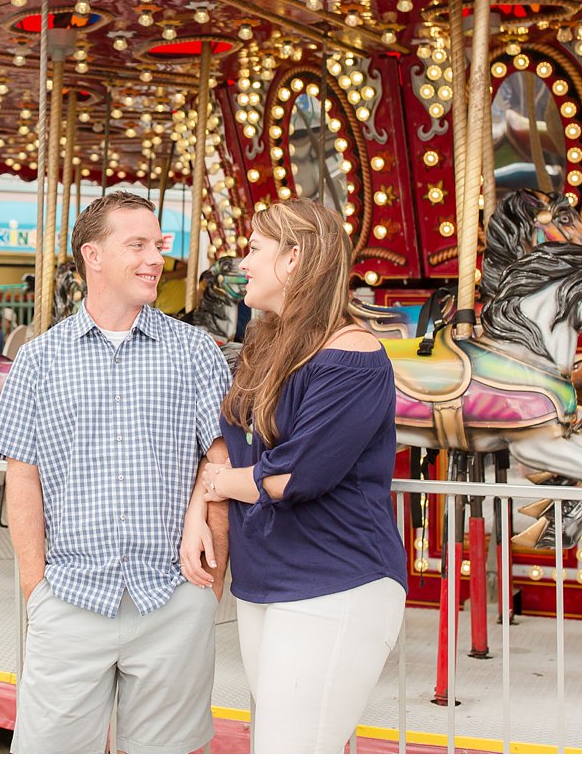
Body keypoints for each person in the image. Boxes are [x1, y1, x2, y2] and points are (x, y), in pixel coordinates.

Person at [0, 190, 231, 754]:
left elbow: (220, 462)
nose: (155, 259)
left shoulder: (194, 351)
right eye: (137, 244)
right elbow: (22, 476)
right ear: (93, 255)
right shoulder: (39, 360)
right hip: (71, 597)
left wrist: (210, 591)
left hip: (172, 595)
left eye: (158, 245)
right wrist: (35, 588)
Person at [185, 199, 406, 753]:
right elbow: (225, 452)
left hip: (335, 580)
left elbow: (292, 477)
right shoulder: (263, 350)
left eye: (255, 248)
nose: (244, 261)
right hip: (265, 584)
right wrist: (206, 496)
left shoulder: (352, 356)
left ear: (295, 258)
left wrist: (223, 483)